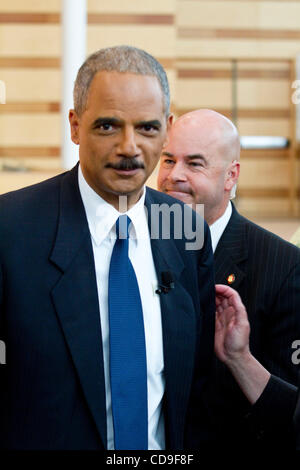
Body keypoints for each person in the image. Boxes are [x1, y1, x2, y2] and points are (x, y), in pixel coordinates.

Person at [0, 46, 216, 451]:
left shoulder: (186, 229)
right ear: (75, 126)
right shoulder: (9, 232)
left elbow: (196, 386)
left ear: (166, 129)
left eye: (147, 128)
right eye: (107, 127)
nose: (129, 147)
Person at [157, 109, 300, 450]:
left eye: (194, 164)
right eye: (167, 160)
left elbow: (292, 417)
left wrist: (239, 358)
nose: (174, 175)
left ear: (230, 176)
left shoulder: (284, 266)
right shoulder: (134, 248)